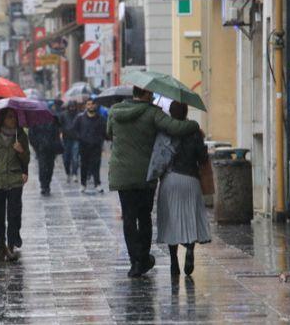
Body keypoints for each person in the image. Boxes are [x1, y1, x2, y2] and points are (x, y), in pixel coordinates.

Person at [107, 86, 199, 278]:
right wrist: (194, 125)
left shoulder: (115, 112)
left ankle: (135, 263)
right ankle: (143, 258)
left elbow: (108, 133)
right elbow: (176, 127)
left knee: (129, 218)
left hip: (121, 173)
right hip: (145, 174)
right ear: (147, 94)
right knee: (144, 217)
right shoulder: (152, 113)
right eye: (152, 93)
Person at [156, 101, 211, 276]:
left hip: (170, 180)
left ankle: (173, 261)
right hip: (191, 180)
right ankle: (189, 250)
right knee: (190, 218)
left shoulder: (165, 131)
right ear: (186, 112)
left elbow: (158, 157)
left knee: (171, 220)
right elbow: (202, 159)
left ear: (170, 113)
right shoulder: (195, 132)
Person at [0, 108, 30, 261]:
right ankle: (0, 246)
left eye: (14, 117)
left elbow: (26, 159)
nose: (12, 120)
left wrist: (21, 150)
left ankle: (10, 246)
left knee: (14, 215)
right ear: (2, 118)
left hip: (15, 181)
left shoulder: (21, 136)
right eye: (9, 117)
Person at [73, 98, 107, 193]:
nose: (91, 106)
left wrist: (101, 139)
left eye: (92, 104)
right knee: (84, 165)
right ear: (85, 106)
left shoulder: (101, 119)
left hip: (96, 145)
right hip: (84, 145)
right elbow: (74, 129)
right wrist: (80, 137)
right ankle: (83, 184)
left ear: (95, 105)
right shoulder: (80, 118)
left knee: (96, 165)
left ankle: (97, 183)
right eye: (88, 104)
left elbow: (105, 131)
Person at [29, 111, 63, 196]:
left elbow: (57, 134)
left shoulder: (53, 120)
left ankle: (47, 183)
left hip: (51, 149)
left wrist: (56, 145)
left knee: (50, 167)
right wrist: (37, 146)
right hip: (41, 149)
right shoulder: (35, 121)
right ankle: (43, 186)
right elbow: (31, 135)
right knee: (43, 167)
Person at [59, 101, 80, 183]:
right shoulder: (63, 115)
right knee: (66, 159)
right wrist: (60, 133)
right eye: (71, 107)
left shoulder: (78, 115)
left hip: (76, 139)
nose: (72, 108)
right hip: (66, 139)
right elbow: (59, 125)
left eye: (73, 107)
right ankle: (68, 173)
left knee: (75, 158)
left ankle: (74, 173)